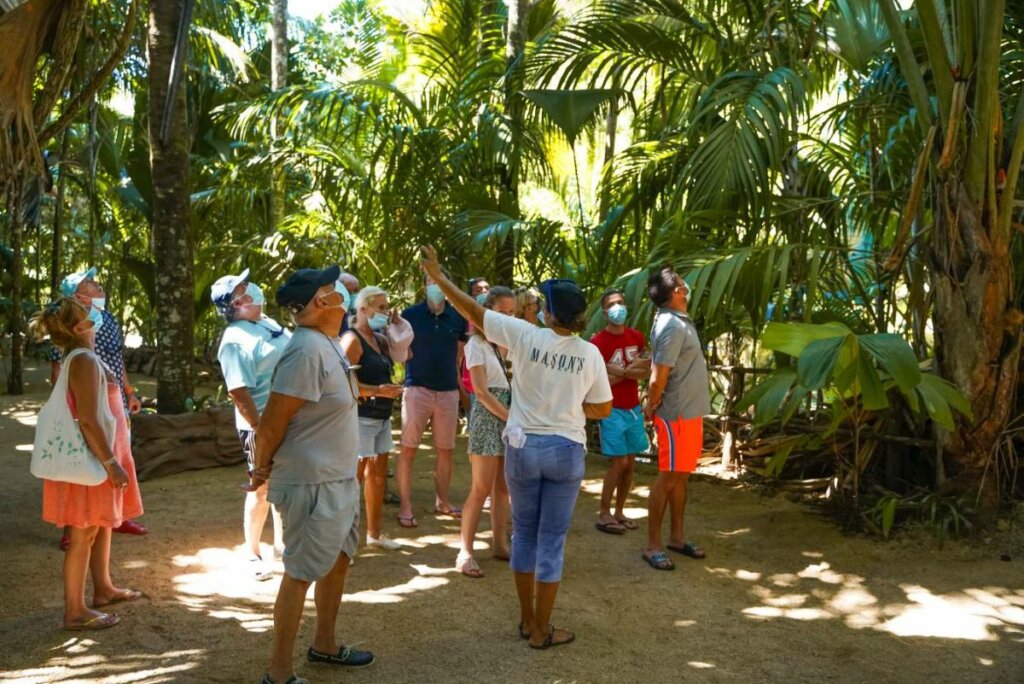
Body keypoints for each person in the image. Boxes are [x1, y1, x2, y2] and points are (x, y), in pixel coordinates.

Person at [419, 246, 612, 650]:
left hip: (523, 445)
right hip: (566, 448)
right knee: (552, 539)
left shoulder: (524, 335)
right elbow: (602, 407)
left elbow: (473, 311)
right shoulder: (590, 353)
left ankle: (528, 620)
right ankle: (542, 629)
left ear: (547, 313)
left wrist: (437, 276)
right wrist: (568, 402)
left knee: (524, 533)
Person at [249, 265, 375, 684]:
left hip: (337, 478)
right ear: (322, 301)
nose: (343, 291)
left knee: (339, 559)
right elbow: (272, 422)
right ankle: (278, 674)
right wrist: (259, 468)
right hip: (311, 482)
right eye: (334, 287)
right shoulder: (304, 349)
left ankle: (325, 644)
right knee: (300, 572)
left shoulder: (326, 343)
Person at [32, 298, 144, 630]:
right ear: (80, 329)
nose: (96, 321)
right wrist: (111, 463)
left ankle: (103, 589)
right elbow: (89, 421)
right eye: (90, 320)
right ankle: (74, 611)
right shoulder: (82, 360)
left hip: (103, 455)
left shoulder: (85, 357)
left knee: (99, 525)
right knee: (83, 534)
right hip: (92, 460)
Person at [51, 268, 146, 549]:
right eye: (88, 283)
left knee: (118, 455)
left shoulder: (109, 319)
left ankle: (118, 516)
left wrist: (129, 392)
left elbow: (117, 360)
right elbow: (58, 369)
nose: (97, 284)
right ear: (78, 296)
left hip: (115, 401)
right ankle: (72, 528)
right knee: (85, 463)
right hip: (90, 400)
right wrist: (68, 408)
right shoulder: (71, 325)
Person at [212, 269, 290, 581]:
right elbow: (237, 390)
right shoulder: (234, 339)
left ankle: (283, 546)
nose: (252, 290)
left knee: (286, 483)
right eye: (243, 289)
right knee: (262, 486)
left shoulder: (266, 322)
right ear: (234, 305)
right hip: (261, 423)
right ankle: (252, 551)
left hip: (287, 418)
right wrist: (260, 426)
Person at [642, 266, 710, 571]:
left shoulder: (679, 321)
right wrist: (652, 405)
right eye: (683, 284)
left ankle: (677, 537)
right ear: (678, 293)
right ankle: (652, 545)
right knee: (668, 476)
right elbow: (658, 375)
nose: (687, 286)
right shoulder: (670, 325)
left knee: (681, 475)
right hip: (675, 414)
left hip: (689, 412)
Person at [396, 271, 468, 527]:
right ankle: (405, 506)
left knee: (446, 449)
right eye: (430, 283)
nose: (435, 287)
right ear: (424, 286)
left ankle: (443, 501)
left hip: (448, 391)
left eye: (440, 283)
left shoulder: (457, 317)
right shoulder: (410, 315)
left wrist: (459, 388)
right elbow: (399, 347)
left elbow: (460, 355)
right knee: (408, 449)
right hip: (417, 389)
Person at [455, 287, 515, 578]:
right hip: (489, 416)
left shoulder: (514, 343)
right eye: (502, 313)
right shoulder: (476, 344)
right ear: (488, 312)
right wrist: (510, 418)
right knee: (481, 488)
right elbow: (479, 390)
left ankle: (500, 544)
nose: (508, 318)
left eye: (512, 313)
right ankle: (465, 550)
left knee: (503, 488)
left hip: (511, 415)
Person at [340, 286, 405, 551]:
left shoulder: (380, 339)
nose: (385, 312)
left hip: (382, 415)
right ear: (363, 309)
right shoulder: (351, 339)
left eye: (386, 307)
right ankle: (346, 541)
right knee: (353, 478)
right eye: (380, 307)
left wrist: (398, 326)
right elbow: (342, 380)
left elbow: (406, 355)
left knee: (378, 474)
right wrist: (374, 390)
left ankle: (374, 533)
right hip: (360, 417)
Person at [590, 289, 650, 534]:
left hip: (633, 408)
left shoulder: (636, 337)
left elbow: (645, 369)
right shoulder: (598, 343)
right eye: (612, 304)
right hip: (611, 408)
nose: (618, 307)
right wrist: (627, 372)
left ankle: (620, 511)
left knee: (631, 462)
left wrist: (618, 372)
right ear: (604, 311)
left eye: (621, 303)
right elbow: (597, 379)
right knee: (619, 462)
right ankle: (604, 512)